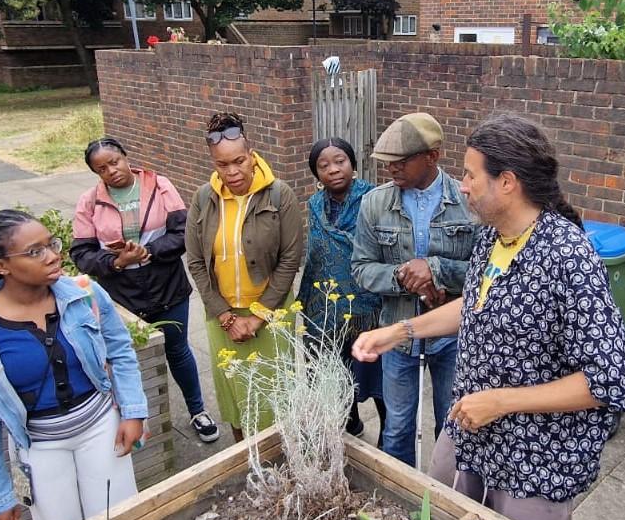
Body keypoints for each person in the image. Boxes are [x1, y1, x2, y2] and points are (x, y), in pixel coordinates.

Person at [353, 115, 625, 520]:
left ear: (507, 182)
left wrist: (501, 401)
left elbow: (608, 380)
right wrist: (401, 331)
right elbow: (476, 304)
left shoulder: (568, 257)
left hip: (533, 461)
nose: (462, 186)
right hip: (470, 433)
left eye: (470, 175)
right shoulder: (492, 238)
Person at [0, 210, 148, 520]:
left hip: (101, 429)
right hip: (38, 447)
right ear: (1, 266)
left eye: (52, 244)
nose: (53, 256)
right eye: (35, 251)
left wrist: (133, 412)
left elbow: (120, 350)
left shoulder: (85, 295)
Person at [71, 137, 219, 443]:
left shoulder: (159, 186)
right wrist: (117, 262)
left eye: (114, 162)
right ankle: (138, 418)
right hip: (121, 294)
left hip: (167, 286)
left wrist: (149, 251)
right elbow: (81, 254)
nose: (111, 171)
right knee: (130, 357)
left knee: (177, 349)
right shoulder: (89, 201)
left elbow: (183, 233)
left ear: (126, 157)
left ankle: (198, 411)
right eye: (102, 169)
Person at [351, 112, 475, 467]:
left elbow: (487, 274)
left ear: (432, 156)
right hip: (398, 336)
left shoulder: (468, 201)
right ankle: (399, 494)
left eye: (401, 161)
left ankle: (444, 494)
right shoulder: (374, 203)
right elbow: (361, 268)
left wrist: (437, 271)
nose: (391, 168)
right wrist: (405, 276)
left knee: (453, 428)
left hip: (453, 338)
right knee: (397, 429)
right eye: (387, 161)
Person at [185, 112, 303, 442]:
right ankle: (246, 457)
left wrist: (258, 315)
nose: (232, 171)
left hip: (271, 313)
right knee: (235, 393)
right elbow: (195, 262)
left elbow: (290, 259)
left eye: (239, 161)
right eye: (222, 164)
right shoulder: (203, 199)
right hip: (222, 316)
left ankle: (281, 456)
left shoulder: (279, 194)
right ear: (213, 163)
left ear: (251, 155)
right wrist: (225, 317)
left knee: (274, 394)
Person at [296, 137, 386, 445]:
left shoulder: (374, 198)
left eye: (340, 161)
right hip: (325, 305)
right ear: (316, 174)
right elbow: (316, 255)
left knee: (374, 373)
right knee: (335, 370)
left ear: (352, 164)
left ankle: (388, 434)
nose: (333, 169)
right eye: (324, 165)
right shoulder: (314, 205)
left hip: (367, 306)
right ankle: (351, 422)